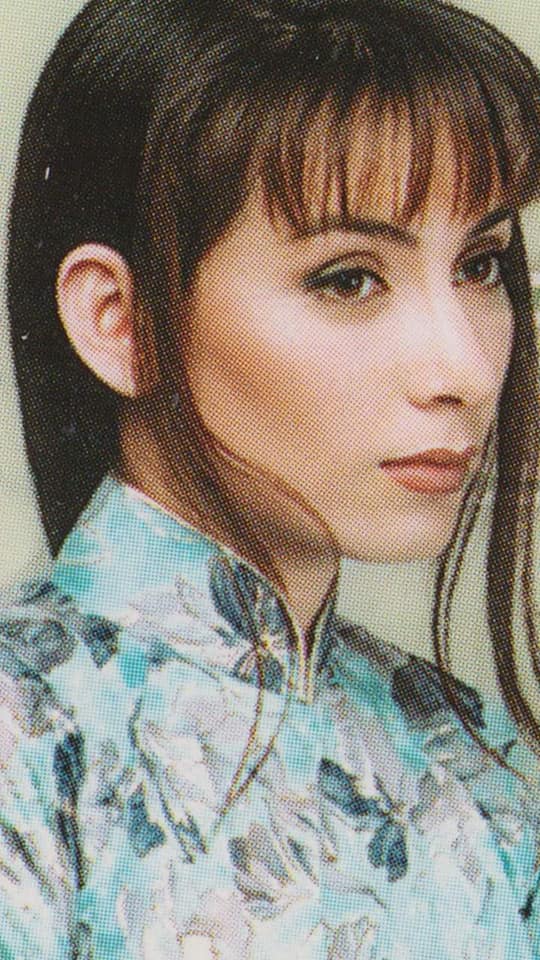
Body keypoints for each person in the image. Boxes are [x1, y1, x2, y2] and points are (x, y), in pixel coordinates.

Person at [4, 0, 540, 956]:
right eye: (349, 279)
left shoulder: (466, 757)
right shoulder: (29, 744)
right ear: (120, 321)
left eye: (481, 264)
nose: (461, 369)